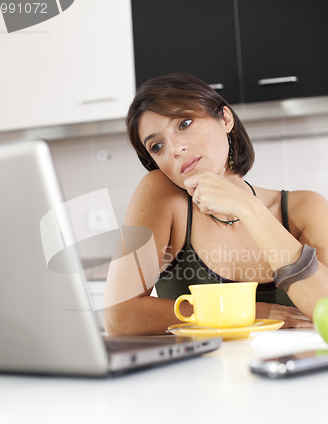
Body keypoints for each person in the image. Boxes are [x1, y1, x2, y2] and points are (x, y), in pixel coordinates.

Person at [104, 73, 328, 335]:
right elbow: (119, 317)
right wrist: (247, 312)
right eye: (157, 146)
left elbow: (323, 306)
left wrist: (249, 208)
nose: (175, 149)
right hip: (201, 374)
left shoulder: (304, 207)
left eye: (184, 123)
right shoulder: (163, 195)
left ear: (225, 119)